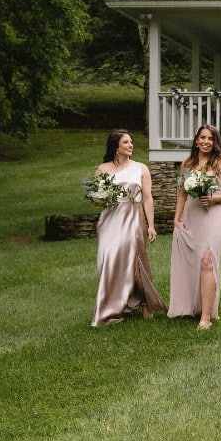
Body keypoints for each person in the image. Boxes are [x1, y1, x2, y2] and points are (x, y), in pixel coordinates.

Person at [91, 130, 167, 326]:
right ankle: (111, 306)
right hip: (109, 219)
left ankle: (145, 302)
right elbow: (94, 198)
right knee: (107, 259)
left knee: (134, 263)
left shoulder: (141, 168)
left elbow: (148, 198)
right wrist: (105, 199)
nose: (131, 145)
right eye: (126, 142)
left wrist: (151, 225)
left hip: (133, 217)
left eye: (131, 142)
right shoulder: (102, 169)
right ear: (116, 146)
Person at [168, 125, 221, 330]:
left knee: (208, 261)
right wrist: (177, 219)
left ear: (216, 142)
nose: (206, 142)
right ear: (196, 140)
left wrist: (213, 198)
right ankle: (193, 305)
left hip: (216, 216)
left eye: (210, 138)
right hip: (193, 214)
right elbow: (182, 193)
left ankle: (205, 317)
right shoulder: (187, 164)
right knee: (194, 261)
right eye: (202, 137)